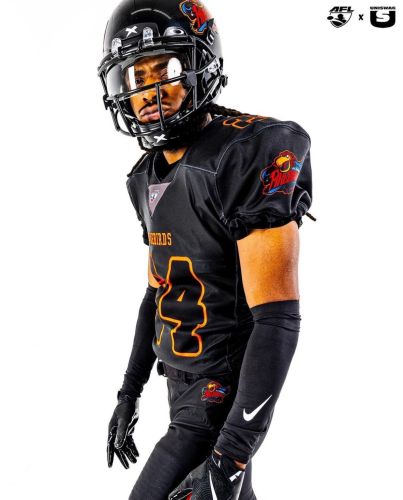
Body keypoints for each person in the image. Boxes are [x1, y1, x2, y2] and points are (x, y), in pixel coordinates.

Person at [97, 0, 314, 498]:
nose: (149, 91)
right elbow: (158, 292)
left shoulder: (244, 152)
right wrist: (129, 391)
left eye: (165, 70)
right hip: (181, 390)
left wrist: (230, 457)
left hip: (219, 398)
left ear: (200, 66)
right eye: (136, 76)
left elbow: (278, 319)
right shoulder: (143, 178)